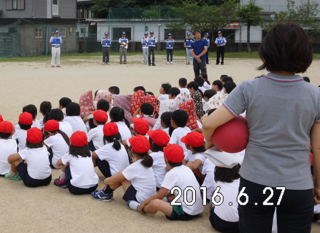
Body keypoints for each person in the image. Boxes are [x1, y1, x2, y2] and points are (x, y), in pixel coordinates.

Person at [203, 23, 320, 233]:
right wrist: (318, 184)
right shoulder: (316, 95)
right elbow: (318, 148)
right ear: (305, 53)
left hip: (256, 182)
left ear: (266, 51)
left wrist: (210, 140)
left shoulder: (249, 88)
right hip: (298, 184)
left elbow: (209, 123)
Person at [137, 144, 204, 220]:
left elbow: (160, 196)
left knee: (155, 203)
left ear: (165, 160)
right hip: (198, 210)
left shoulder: (171, 173)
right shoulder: (187, 168)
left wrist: (145, 202)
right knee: (169, 194)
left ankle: (140, 208)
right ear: (182, 158)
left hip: (186, 212)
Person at [91, 135, 156, 205]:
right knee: (122, 174)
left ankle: (105, 193)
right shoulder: (146, 163)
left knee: (122, 178)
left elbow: (115, 179)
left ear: (132, 151)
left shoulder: (135, 166)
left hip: (139, 199)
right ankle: (105, 192)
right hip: (149, 198)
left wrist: (107, 180)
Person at [205, 148, 243, 233]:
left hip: (220, 223)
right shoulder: (243, 181)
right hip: (241, 225)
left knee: (214, 196)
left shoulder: (217, 181)